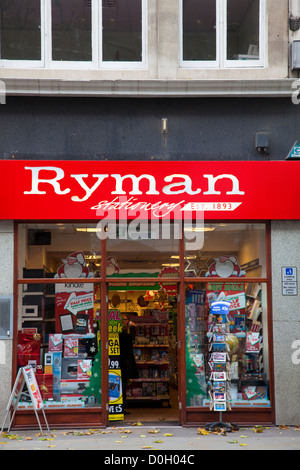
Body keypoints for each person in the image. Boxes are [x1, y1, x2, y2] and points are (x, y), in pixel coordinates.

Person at [119, 314, 139, 413]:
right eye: (123, 320)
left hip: (125, 361)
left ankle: (122, 406)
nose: (125, 322)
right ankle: (121, 406)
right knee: (122, 384)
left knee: (124, 383)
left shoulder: (124, 331)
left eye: (126, 320)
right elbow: (130, 337)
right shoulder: (120, 332)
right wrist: (133, 327)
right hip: (122, 362)